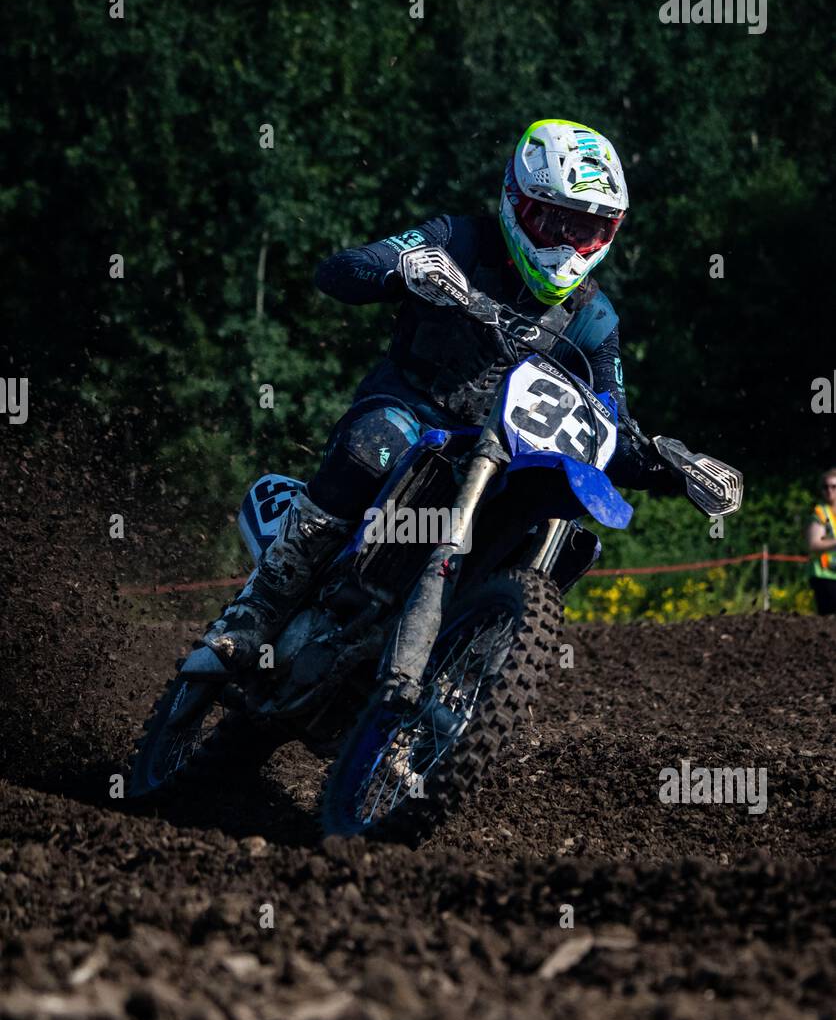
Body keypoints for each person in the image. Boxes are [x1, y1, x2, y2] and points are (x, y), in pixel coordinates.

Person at [204, 118, 684, 669]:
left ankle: (471, 681)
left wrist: (667, 465)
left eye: (586, 230)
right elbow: (339, 271)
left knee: (562, 522)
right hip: (411, 416)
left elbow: (610, 428)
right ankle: (261, 602)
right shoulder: (458, 239)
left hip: (504, 459)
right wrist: (401, 268)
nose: (567, 244)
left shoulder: (595, 319)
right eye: (553, 221)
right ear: (517, 201)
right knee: (377, 441)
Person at [807, 469, 836, 614]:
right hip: (824, 576)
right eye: (825, 487)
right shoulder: (820, 513)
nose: (829, 491)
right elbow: (814, 544)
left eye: (834, 487)